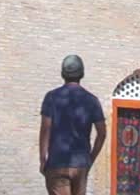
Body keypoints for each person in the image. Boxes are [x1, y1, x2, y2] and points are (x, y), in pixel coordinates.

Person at [39, 54, 106, 195]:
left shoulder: (51, 97)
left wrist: (43, 158)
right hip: (81, 163)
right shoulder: (92, 100)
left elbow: (46, 128)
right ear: (82, 74)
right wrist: (90, 158)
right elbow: (102, 133)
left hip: (57, 162)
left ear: (63, 73)